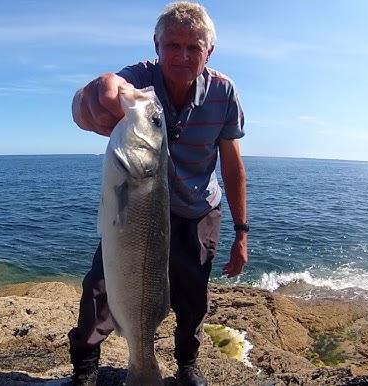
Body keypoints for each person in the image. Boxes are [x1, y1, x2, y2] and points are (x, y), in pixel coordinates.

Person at [67, 2, 248, 386]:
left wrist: (242, 231)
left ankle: (186, 365)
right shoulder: (140, 83)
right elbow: (86, 106)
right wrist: (94, 95)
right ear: (156, 44)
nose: (182, 55)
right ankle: (84, 370)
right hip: (139, 211)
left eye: (194, 47)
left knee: (193, 294)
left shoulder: (224, 91)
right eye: (173, 45)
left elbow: (232, 165)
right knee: (99, 288)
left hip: (198, 210)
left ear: (208, 52)